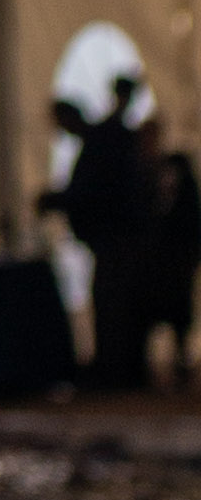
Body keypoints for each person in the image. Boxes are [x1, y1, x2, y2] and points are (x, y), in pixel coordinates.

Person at [54, 71, 161, 395]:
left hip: (117, 238)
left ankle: (116, 371)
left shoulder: (108, 139)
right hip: (124, 237)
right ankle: (123, 370)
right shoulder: (118, 137)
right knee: (120, 306)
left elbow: (97, 191)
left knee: (114, 305)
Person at [153, 118, 201, 397]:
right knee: (175, 312)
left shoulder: (178, 177)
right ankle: (180, 361)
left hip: (177, 259)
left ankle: (181, 360)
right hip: (172, 260)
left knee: (179, 312)